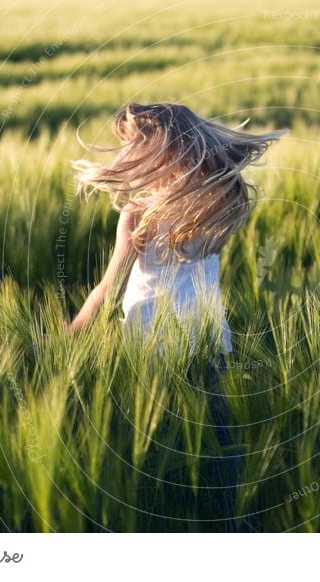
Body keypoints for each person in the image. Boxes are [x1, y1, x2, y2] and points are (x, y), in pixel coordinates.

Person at [64, 102, 286, 530]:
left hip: (166, 344)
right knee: (209, 444)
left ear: (160, 151)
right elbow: (109, 287)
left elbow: (107, 288)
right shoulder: (193, 209)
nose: (128, 157)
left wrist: (71, 332)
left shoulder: (173, 211)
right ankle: (231, 521)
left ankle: (195, 519)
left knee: (174, 443)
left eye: (136, 148)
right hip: (183, 343)